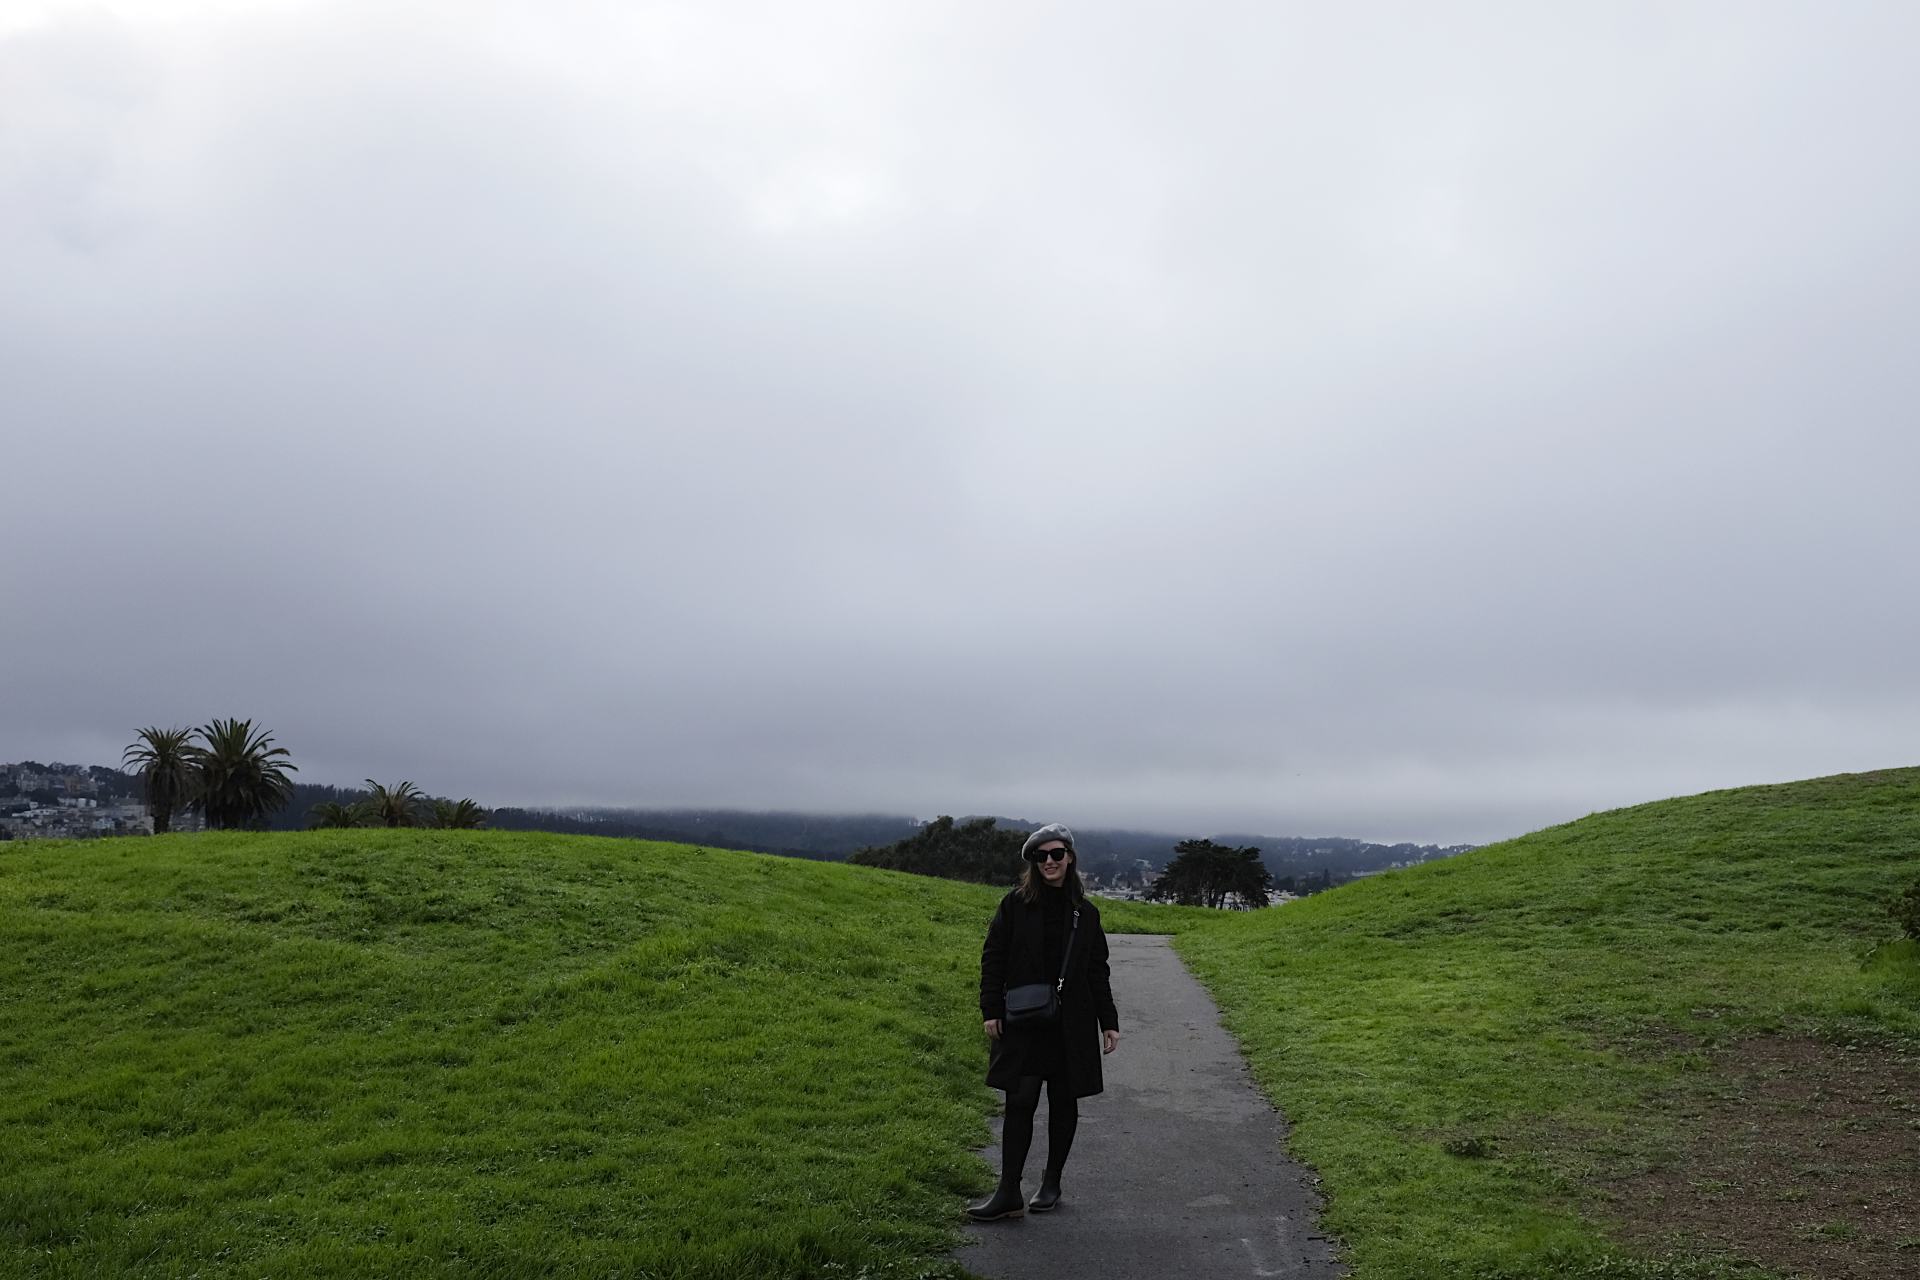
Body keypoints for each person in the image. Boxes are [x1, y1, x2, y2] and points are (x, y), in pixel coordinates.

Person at [967, 822, 1121, 1221]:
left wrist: (1109, 1020)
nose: (1049, 861)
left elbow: (1096, 970)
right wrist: (990, 1009)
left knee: (1063, 1103)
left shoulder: (1084, 913)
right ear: (1033, 863)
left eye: (1056, 854)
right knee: (1019, 1101)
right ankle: (1008, 1191)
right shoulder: (1015, 904)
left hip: (1071, 1023)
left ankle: (1051, 1181)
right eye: (1041, 856)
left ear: (1069, 857)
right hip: (1023, 1019)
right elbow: (993, 957)